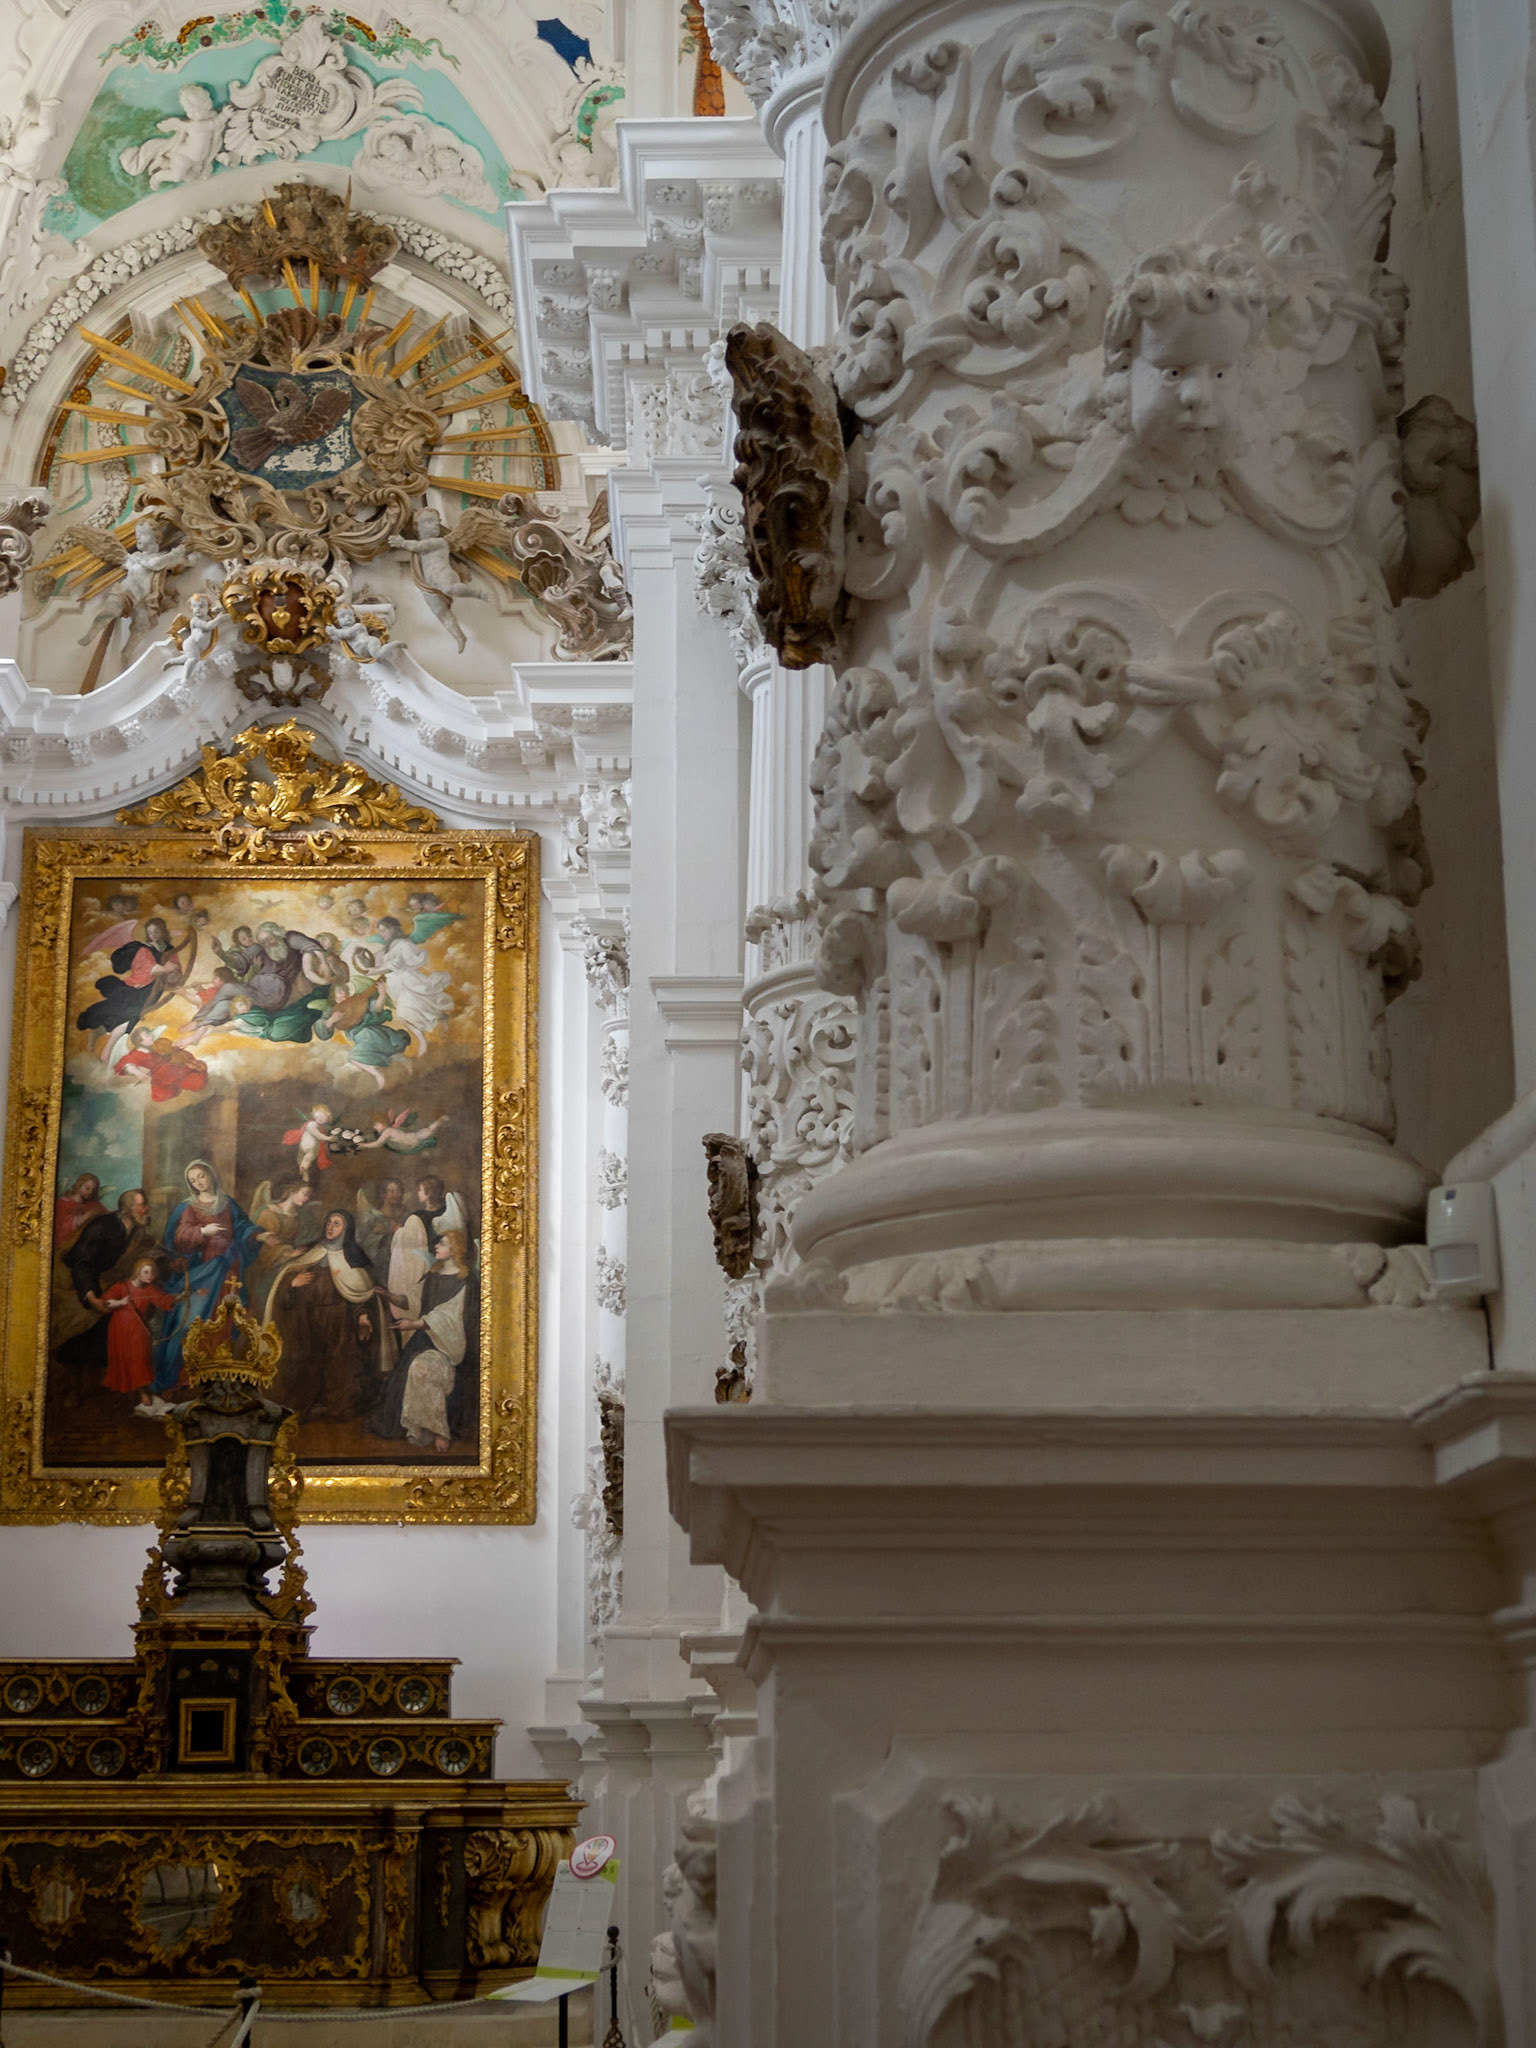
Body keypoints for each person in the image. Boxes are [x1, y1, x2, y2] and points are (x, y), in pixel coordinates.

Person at [270, 1209, 396, 1422]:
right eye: (329, 1222)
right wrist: (292, 1283)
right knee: (306, 1363)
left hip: (339, 1322)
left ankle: (335, 1407)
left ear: (346, 1229)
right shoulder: (311, 1253)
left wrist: (363, 1316)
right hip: (307, 1320)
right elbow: (284, 1285)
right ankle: (304, 1406)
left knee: (339, 1365)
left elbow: (361, 1293)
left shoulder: (352, 1259)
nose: (330, 1226)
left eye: (337, 1223)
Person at [152, 1161, 262, 1396]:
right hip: (201, 1271)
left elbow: (243, 1227)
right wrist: (202, 1232)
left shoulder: (228, 1203)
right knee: (194, 1319)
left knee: (224, 1321)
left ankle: (215, 1373)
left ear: (211, 1175)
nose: (198, 1182)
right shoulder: (188, 1207)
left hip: (229, 1270)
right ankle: (185, 1375)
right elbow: (178, 1237)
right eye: (193, 1180)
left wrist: (258, 1234)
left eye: (201, 1176)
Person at [370, 1229, 474, 1451]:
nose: (436, 1246)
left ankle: (439, 1430)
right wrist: (387, 1295)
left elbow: (449, 1315)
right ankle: (419, 1428)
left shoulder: (465, 1281)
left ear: (455, 1249)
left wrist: (414, 1324)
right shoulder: (432, 1276)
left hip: (446, 1344)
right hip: (423, 1341)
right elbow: (410, 1299)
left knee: (421, 1370)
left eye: (443, 1244)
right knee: (406, 1375)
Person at [55, 1189, 157, 1380]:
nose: (147, 1208)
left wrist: (171, 1264)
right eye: (142, 1205)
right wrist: (91, 1296)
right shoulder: (102, 1226)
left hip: (108, 1285)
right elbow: (82, 1262)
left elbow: (152, 1252)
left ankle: (106, 1375)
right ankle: (74, 1381)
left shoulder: (137, 1231)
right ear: (127, 1210)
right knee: (81, 1329)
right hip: (78, 1283)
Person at [75, 917, 188, 1038]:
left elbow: (176, 967)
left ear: (163, 931)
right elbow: (147, 966)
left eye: (156, 931)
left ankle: (115, 1035)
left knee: (133, 1011)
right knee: (122, 1007)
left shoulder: (169, 949)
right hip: (138, 985)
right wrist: (164, 969)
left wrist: (173, 975)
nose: (153, 935)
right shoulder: (143, 948)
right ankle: (97, 1025)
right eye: (150, 932)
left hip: (154, 988)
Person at [88, 1258, 183, 1399]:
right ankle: (124, 1389)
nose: (150, 1275)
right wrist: (120, 1302)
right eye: (146, 1272)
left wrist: (181, 1297)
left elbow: (164, 1300)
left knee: (139, 1358)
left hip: (139, 1328)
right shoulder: (121, 1286)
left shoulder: (150, 1289)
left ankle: (142, 1391)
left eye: (152, 1272)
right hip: (120, 1327)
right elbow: (106, 1302)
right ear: (137, 1272)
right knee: (122, 1356)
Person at [370, 916, 453, 1046]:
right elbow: (378, 961)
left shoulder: (403, 944)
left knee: (404, 1014)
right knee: (422, 1010)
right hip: (399, 986)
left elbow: (395, 965)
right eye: (380, 931)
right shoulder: (388, 947)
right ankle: (435, 1027)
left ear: (392, 930)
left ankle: (423, 1040)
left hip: (408, 983)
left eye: (384, 930)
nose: (381, 934)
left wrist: (375, 971)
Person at [112, 1026, 209, 1102]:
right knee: (159, 1095)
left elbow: (177, 1052)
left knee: (198, 1083)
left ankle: (179, 1082)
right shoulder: (138, 1053)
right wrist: (139, 1074)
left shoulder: (159, 1042)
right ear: (140, 1042)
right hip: (163, 1076)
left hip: (179, 1068)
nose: (152, 1036)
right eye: (147, 1036)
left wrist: (188, 1060)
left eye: (149, 1034)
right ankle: (174, 1087)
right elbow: (127, 1063)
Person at [54, 1173, 106, 1251]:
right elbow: (60, 1229)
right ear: (79, 1185)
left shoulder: (95, 1205)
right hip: (68, 1247)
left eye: (93, 1190)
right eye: (87, 1188)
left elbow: (108, 1217)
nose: (90, 1192)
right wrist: (85, 1217)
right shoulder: (63, 1203)